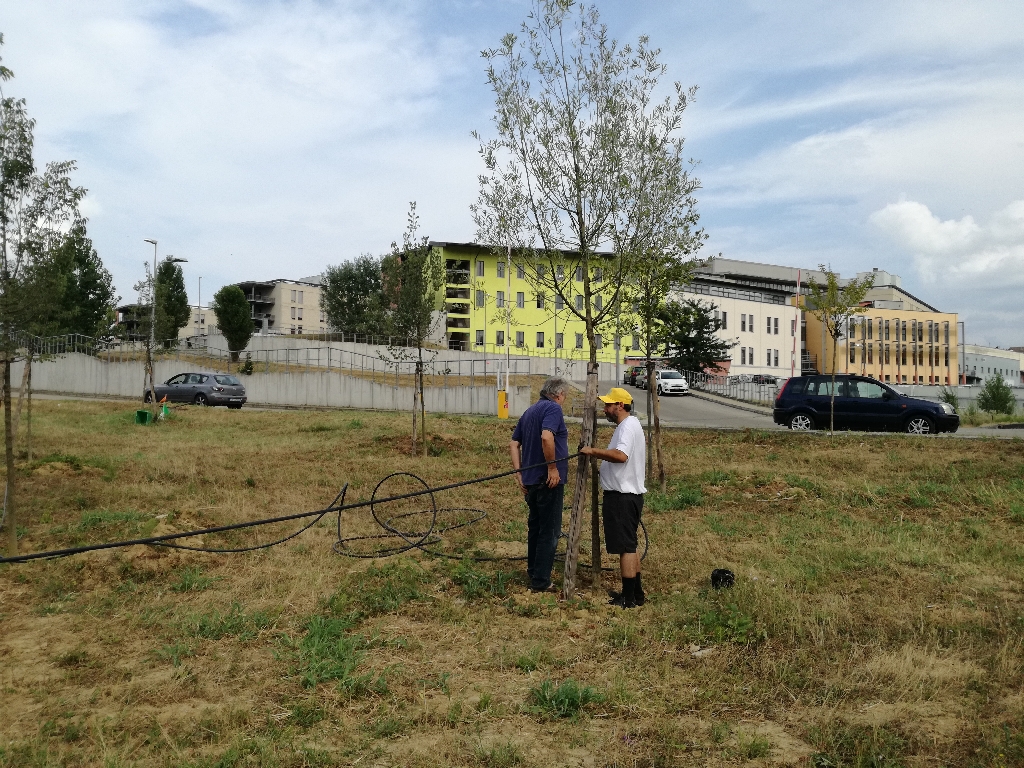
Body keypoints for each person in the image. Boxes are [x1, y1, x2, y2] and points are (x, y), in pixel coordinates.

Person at [581, 387, 646, 608]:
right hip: (628, 495)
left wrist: (593, 451)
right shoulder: (631, 424)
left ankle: (628, 598)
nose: (605, 409)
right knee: (631, 545)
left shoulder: (627, 426)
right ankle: (636, 594)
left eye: (609, 405)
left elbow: (621, 456)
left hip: (621, 497)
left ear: (620, 405)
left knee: (625, 548)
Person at [510, 376, 570, 592]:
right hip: (548, 481)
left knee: (535, 527)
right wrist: (552, 468)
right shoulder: (553, 410)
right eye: (564, 396)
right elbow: (547, 437)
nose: (564, 400)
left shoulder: (530, 411)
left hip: (530, 481)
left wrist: (519, 473)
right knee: (550, 531)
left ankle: (533, 570)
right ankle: (541, 581)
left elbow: (514, 443)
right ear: (558, 394)